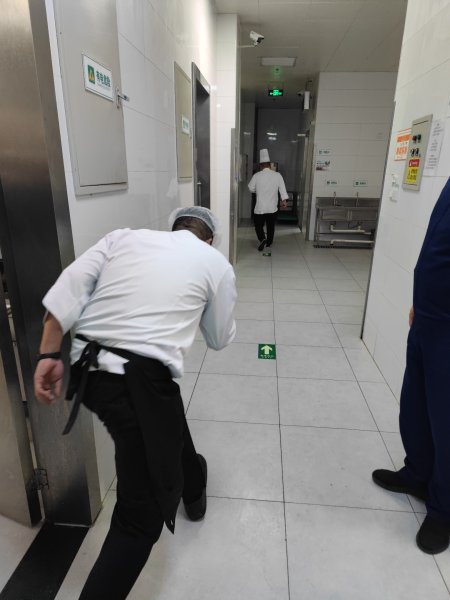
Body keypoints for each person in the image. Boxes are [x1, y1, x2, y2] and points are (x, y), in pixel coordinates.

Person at [33, 206, 237, 598]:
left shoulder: (123, 237)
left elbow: (67, 289)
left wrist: (46, 355)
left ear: (174, 228)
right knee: (139, 520)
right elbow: (218, 337)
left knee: (163, 417)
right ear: (209, 239)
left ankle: (193, 489)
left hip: (88, 371)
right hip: (135, 385)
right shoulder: (215, 263)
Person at [372, 178, 450, 555]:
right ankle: (418, 474)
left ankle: (443, 509)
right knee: (415, 408)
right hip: (427, 319)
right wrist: (421, 301)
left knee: (446, 423)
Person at [248, 148, 289, 252]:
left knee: (258, 226)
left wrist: (257, 190)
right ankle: (269, 243)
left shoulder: (256, 176)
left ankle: (262, 239)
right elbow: (282, 189)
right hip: (272, 207)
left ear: (261, 166)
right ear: (270, 165)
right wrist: (284, 201)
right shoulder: (277, 175)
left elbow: (250, 188)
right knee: (271, 226)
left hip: (260, 207)